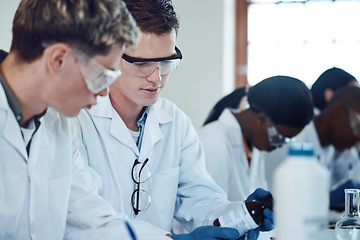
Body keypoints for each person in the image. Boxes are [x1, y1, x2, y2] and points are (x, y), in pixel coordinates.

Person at [76, 0, 273, 239]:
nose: (156, 77)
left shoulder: (175, 122)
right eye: (142, 63)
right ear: (111, 55)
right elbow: (84, 218)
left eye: (166, 62)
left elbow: (199, 202)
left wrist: (240, 215)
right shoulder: (77, 119)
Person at [0, 0, 176, 239]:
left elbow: (92, 219)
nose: (104, 91)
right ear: (58, 59)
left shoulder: (59, 123)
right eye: (101, 75)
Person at [198, 76, 314, 203]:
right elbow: (209, 213)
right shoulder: (214, 143)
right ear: (260, 120)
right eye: (280, 138)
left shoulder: (253, 146)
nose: (280, 146)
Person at [264, 86, 360, 223]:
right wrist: (346, 219)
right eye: (358, 127)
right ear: (338, 111)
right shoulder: (292, 140)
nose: (358, 138)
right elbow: (284, 209)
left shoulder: (332, 148)